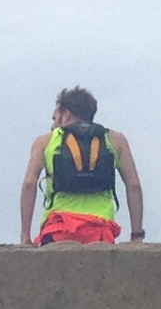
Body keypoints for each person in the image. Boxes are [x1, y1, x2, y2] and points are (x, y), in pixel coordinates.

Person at [18, 87, 146, 246]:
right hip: (100, 231)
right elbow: (134, 186)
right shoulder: (116, 140)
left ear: (66, 114)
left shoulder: (45, 142)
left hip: (58, 230)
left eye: (54, 118)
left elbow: (30, 184)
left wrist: (25, 236)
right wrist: (136, 235)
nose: (52, 126)